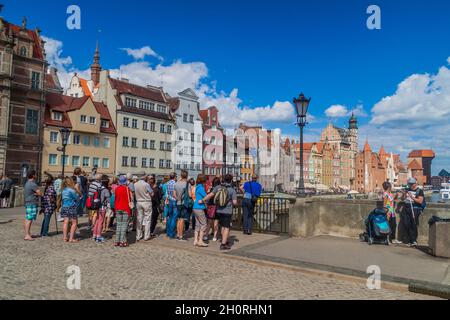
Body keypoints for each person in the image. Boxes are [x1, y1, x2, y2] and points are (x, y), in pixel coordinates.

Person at [203, 174, 238, 251]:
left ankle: (224, 240)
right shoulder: (232, 190)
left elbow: (210, 195)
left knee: (222, 226)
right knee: (226, 227)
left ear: (223, 180)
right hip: (227, 211)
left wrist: (202, 200)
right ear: (231, 180)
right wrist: (233, 203)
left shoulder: (218, 187)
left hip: (218, 210)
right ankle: (223, 244)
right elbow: (235, 202)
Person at [399, 178, 425, 247]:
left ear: (415, 184)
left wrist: (412, 197)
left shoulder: (419, 191)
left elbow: (420, 201)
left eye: (411, 184)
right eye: (409, 184)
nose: (409, 185)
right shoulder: (407, 190)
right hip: (407, 208)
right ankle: (407, 240)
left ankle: (413, 240)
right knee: (407, 224)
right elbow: (402, 199)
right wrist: (404, 194)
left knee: (413, 224)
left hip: (415, 209)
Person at [114, 175, 133, 247]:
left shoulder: (116, 189)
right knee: (124, 225)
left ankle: (117, 241)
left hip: (118, 208)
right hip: (125, 208)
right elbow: (130, 199)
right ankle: (122, 241)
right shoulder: (127, 189)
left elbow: (116, 198)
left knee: (118, 225)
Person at [61, 177, 81, 243]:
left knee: (65, 222)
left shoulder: (63, 190)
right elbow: (77, 198)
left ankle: (64, 238)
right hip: (71, 207)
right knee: (74, 222)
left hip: (64, 207)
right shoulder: (71, 190)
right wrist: (78, 193)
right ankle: (71, 238)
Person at [23, 170, 42, 241]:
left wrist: (35, 193)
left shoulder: (27, 183)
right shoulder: (33, 184)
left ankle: (27, 234)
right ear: (33, 175)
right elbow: (40, 193)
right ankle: (27, 235)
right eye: (35, 174)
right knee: (29, 219)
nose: (36, 175)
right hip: (32, 202)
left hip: (28, 202)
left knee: (27, 218)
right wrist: (37, 194)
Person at [135, 175, 154, 242]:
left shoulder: (135, 184)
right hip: (146, 202)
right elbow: (152, 193)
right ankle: (146, 236)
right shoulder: (146, 184)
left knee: (139, 219)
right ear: (144, 177)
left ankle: (138, 235)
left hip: (139, 202)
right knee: (148, 219)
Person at [192, 174, 209, 247]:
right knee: (204, 224)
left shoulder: (197, 187)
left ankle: (195, 240)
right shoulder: (201, 188)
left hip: (195, 207)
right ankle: (200, 241)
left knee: (197, 224)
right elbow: (206, 197)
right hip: (199, 207)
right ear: (204, 180)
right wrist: (202, 200)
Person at [93, 177, 111, 243]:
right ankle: (99, 236)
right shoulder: (106, 190)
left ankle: (94, 235)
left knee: (97, 221)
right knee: (100, 222)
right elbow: (108, 200)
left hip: (97, 207)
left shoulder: (99, 188)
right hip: (102, 207)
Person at [174, 170, 190, 241]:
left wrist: (178, 199)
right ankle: (181, 236)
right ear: (186, 176)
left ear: (181, 175)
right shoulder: (187, 184)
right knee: (182, 219)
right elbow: (189, 194)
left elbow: (174, 194)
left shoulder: (176, 183)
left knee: (178, 219)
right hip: (184, 203)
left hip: (178, 203)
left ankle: (178, 234)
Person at [204, 176, 221, 242]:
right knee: (216, 223)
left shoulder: (211, 189)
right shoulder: (220, 189)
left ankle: (206, 235)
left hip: (211, 207)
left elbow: (208, 197)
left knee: (209, 223)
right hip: (218, 207)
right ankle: (214, 237)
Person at [165, 173, 178, 239]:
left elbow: (167, 193)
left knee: (169, 217)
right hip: (175, 201)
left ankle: (168, 232)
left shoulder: (167, 183)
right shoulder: (175, 184)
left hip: (170, 201)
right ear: (175, 177)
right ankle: (172, 234)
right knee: (174, 218)